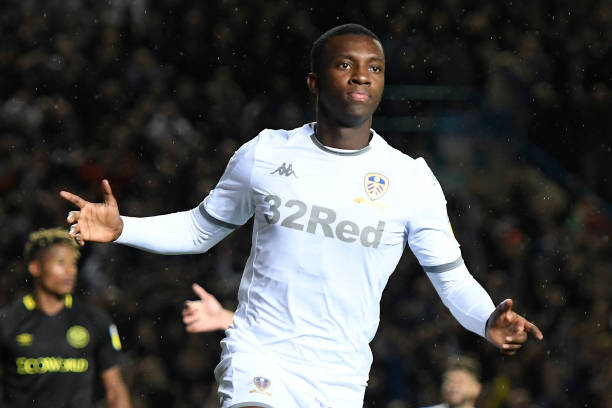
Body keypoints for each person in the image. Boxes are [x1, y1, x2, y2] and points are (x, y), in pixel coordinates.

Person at [59, 23, 543, 408]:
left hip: (339, 378)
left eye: (374, 68)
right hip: (259, 352)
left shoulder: (410, 179)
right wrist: (124, 228)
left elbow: (451, 278)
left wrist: (486, 320)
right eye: (345, 65)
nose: (361, 76)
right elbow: (199, 229)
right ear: (314, 81)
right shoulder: (265, 154)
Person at [0, 228, 132, 408]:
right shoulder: (8, 322)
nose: (70, 272)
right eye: (60, 263)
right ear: (35, 267)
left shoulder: (94, 320)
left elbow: (115, 389)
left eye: (73, 264)